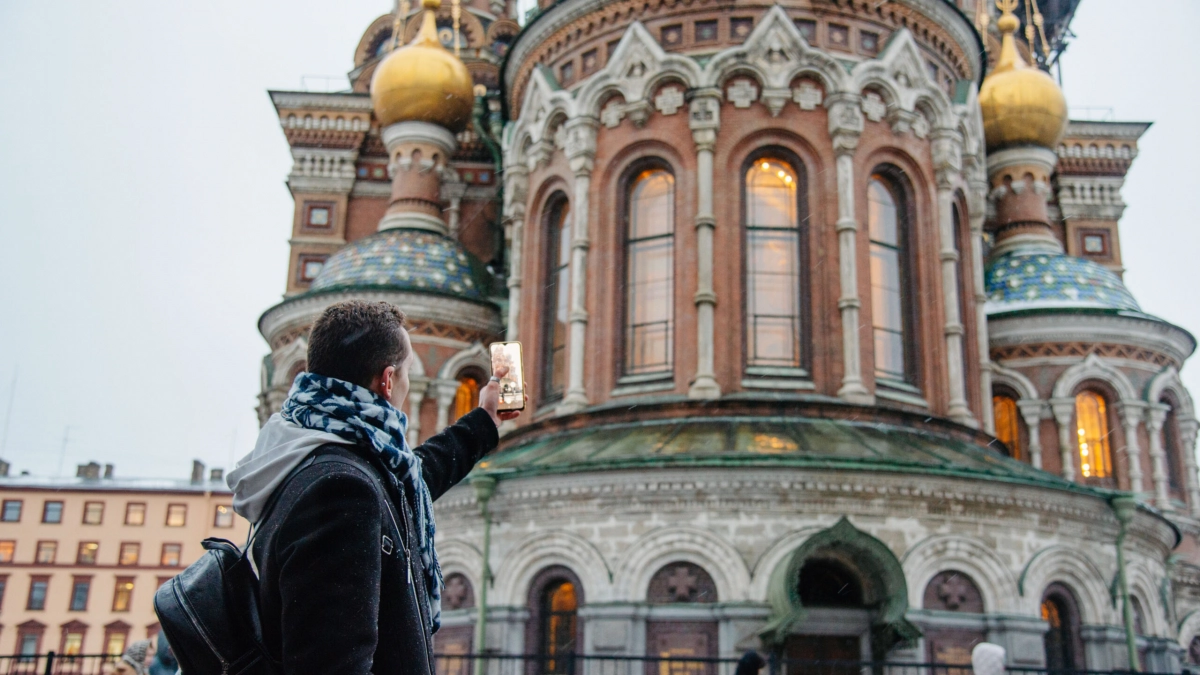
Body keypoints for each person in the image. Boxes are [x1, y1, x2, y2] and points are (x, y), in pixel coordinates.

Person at [227, 300, 519, 675]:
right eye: (408, 372)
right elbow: (333, 663)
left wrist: (486, 420)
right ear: (387, 380)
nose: (408, 383)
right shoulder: (342, 490)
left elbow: (411, 478)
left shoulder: (309, 454)